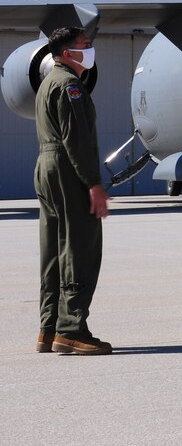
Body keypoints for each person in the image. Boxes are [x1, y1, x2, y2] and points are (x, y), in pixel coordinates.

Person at [34, 26, 112, 355]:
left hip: (48, 165)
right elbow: (76, 141)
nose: (91, 50)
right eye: (85, 45)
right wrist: (94, 184)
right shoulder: (69, 85)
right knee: (78, 246)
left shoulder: (49, 81)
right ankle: (72, 328)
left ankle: (49, 328)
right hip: (67, 168)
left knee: (53, 249)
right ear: (67, 53)